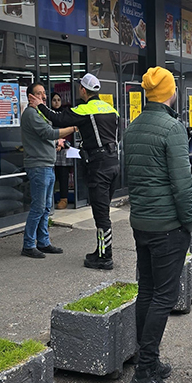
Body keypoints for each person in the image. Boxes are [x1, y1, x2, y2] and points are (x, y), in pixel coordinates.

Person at [122, 66, 192, 383]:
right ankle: (145, 373)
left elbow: (130, 176)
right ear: (168, 91)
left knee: (147, 292)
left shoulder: (134, 126)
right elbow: (182, 184)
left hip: (142, 224)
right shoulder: (172, 128)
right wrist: (188, 221)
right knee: (163, 296)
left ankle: (146, 362)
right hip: (167, 227)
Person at [39, 73, 120, 270]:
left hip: (99, 166)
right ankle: (101, 249)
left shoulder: (86, 109)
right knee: (104, 210)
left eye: (79, 88)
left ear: (83, 90)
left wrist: (38, 105)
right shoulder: (111, 109)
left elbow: (57, 118)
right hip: (113, 163)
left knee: (101, 214)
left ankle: (105, 257)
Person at [21, 83, 77, 259]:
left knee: (45, 207)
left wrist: (56, 142)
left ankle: (43, 242)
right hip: (38, 166)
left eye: (44, 93)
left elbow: (45, 137)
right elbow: (49, 133)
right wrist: (74, 127)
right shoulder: (31, 114)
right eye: (39, 94)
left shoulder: (39, 113)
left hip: (46, 164)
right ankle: (29, 245)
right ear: (30, 97)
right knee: (38, 207)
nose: (43, 97)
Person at [50, 92, 74, 210]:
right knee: (52, 176)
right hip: (51, 149)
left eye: (58, 100)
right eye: (54, 100)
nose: (56, 102)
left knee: (63, 175)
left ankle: (63, 198)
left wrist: (62, 144)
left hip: (63, 150)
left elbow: (69, 132)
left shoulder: (65, 114)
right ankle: (51, 199)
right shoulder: (48, 115)